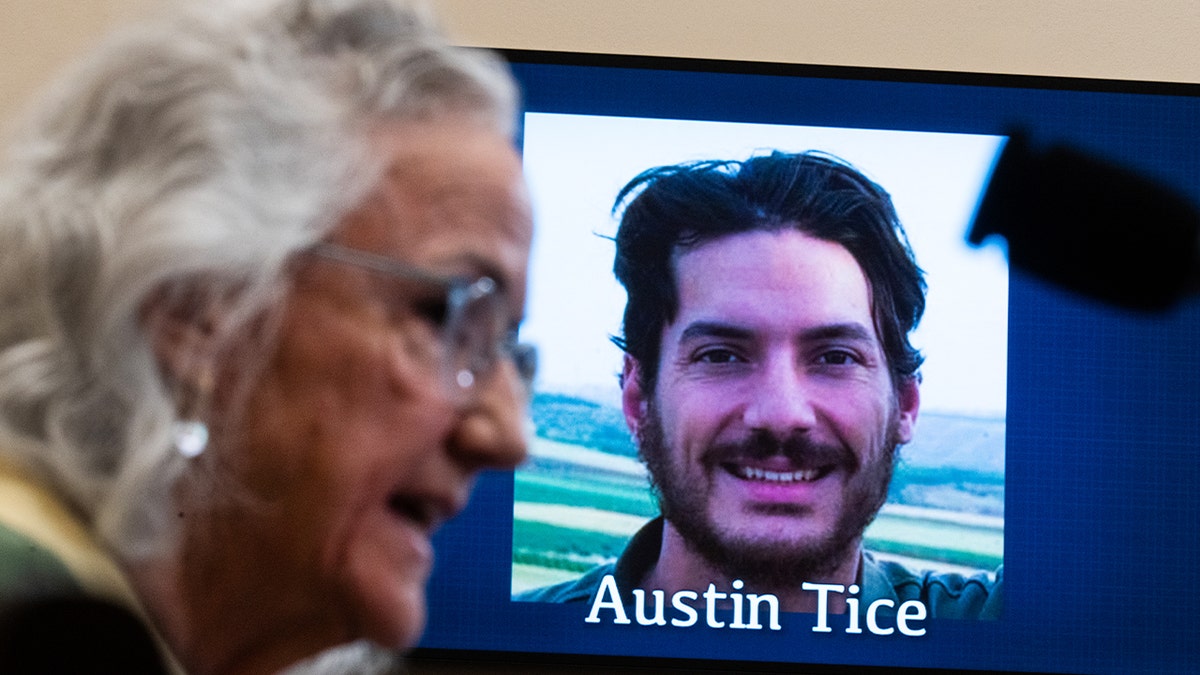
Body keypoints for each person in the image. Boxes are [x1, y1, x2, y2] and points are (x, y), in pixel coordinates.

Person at [0, 0, 534, 672]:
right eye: (444, 316)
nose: (509, 435)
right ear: (197, 306)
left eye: (507, 349)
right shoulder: (33, 621)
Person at [519, 151, 1001, 621]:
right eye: (721, 356)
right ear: (637, 398)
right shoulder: (517, 640)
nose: (781, 414)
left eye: (835, 357)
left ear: (906, 405)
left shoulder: (1002, 631)